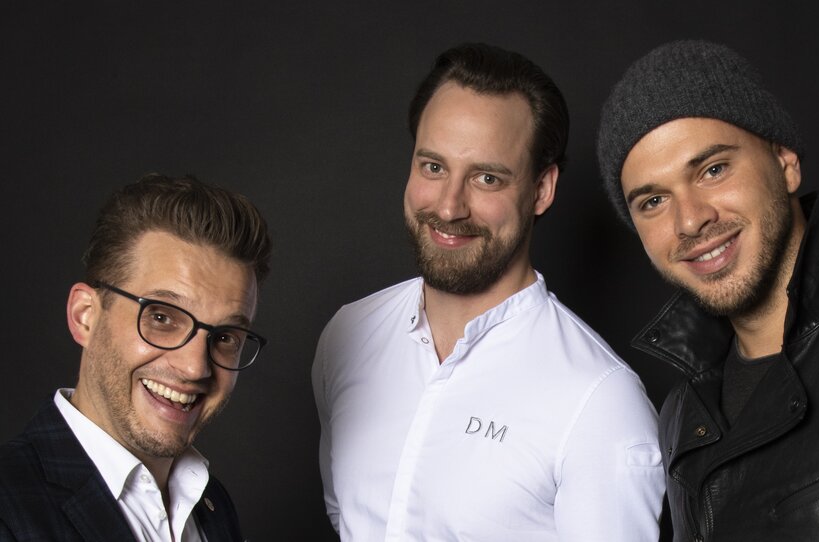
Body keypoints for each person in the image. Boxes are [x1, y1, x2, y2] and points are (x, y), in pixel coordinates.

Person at [596, 39, 819, 540]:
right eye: (653, 201)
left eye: (713, 170)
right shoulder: (684, 411)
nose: (690, 219)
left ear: (785, 162)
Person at [312, 42, 665, 541]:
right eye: (433, 167)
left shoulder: (602, 403)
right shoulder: (347, 336)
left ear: (542, 189)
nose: (450, 206)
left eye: (487, 178)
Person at [0, 174, 272, 541]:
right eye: (161, 317)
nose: (195, 367)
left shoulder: (213, 506)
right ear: (86, 316)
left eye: (224, 337)